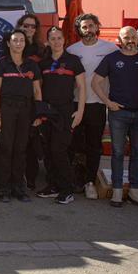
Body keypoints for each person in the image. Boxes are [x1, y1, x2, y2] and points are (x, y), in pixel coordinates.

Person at [92, 26, 138, 208]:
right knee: (117, 153)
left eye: (133, 36)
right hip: (119, 113)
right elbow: (95, 82)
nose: (131, 40)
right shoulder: (112, 59)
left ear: (137, 38)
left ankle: (135, 190)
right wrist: (108, 102)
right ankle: (117, 190)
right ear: (120, 39)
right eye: (127, 37)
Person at [66, 13, 118, 199]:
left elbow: (127, 58)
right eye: (84, 27)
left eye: (91, 26)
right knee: (73, 144)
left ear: (97, 27)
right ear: (79, 30)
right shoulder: (72, 50)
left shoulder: (111, 49)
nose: (88, 30)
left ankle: (90, 182)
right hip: (75, 103)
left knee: (94, 145)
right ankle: (73, 179)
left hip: (97, 104)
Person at [35, 27, 85, 205]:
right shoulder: (43, 63)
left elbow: (82, 87)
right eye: (52, 39)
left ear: (64, 40)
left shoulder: (73, 61)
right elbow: (38, 88)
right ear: (47, 41)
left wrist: (80, 111)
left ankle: (67, 189)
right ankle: (53, 186)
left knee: (59, 150)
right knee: (48, 150)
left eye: (59, 38)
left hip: (65, 112)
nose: (56, 41)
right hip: (47, 112)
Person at [0, 29, 43, 203]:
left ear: (25, 43)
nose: (18, 43)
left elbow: (37, 91)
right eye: (15, 40)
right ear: (8, 43)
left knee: (21, 150)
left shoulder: (31, 65)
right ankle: (4, 188)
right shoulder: (1, 64)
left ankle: (19, 188)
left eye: (21, 40)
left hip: (26, 110)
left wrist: (39, 113)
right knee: (6, 149)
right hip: (6, 108)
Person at [17, 14, 45, 190]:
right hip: (14, 100)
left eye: (32, 27)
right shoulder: (14, 47)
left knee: (32, 141)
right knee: (17, 142)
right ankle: (16, 177)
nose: (28, 29)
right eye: (25, 26)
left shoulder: (41, 50)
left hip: (34, 100)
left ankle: (31, 177)